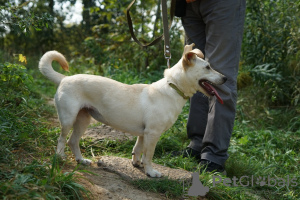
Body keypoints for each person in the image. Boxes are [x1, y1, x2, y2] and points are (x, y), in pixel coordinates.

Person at [175, 0, 246, 173]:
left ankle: (213, 155)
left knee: (220, 75)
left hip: (222, 5)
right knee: (197, 73)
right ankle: (197, 143)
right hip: (188, 5)